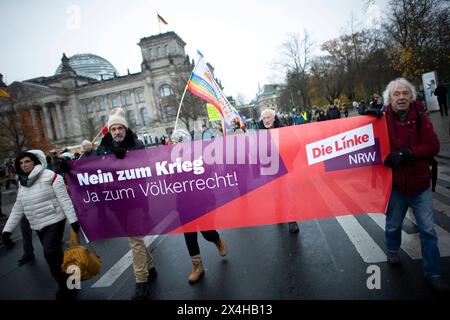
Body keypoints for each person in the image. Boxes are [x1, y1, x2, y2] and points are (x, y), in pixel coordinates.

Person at [380, 78, 448, 293]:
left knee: (428, 230)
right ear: (389, 99)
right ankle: (392, 249)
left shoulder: (420, 116)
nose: (401, 98)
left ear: (411, 97)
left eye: (405, 94)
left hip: (420, 184)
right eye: (396, 94)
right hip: (396, 186)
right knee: (393, 225)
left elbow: (434, 145)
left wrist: (410, 153)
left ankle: (434, 273)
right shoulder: (381, 120)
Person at [1, 150, 80, 299]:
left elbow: (64, 200)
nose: (24, 165)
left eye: (27, 161)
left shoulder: (51, 176)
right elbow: (18, 207)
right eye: (21, 162)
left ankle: (65, 287)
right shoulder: (22, 183)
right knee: (56, 256)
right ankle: (72, 279)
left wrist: (73, 220)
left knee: (49, 254)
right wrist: (7, 231)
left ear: (36, 162)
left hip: (55, 220)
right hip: (37, 224)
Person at [96, 107, 157, 300]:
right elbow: (91, 169)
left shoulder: (136, 144)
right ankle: (151, 266)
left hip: (134, 198)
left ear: (125, 129)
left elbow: (145, 168)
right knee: (135, 238)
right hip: (115, 200)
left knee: (133, 239)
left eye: (119, 128)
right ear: (109, 131)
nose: (116, 132)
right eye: (113, 129)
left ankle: (141, 281)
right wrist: (68, 168)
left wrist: (126, 159)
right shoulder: (102, 147)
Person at [170, 129, 228, 284]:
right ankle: (197, 267)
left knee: (207, 232)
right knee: (189, 234)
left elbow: (210, 171)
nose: (173, 145)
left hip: (203, 201)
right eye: (172, 142)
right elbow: (169, 182)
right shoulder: (171, 160)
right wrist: (172, 172)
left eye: (177, 142)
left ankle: (217, 240)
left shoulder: (199, 154)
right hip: (183, 203)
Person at [258, 109, 300, 234]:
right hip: (271, 171)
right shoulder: (260, 133)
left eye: (268, 117)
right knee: (276, 195)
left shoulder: (284, 129)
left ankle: (292, 220)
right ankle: (279, 213)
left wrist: (288, 160)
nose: (266, 120)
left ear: (274, 118)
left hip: (285, 169)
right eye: (264, 118)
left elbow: (296, 144)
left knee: (289, 195)